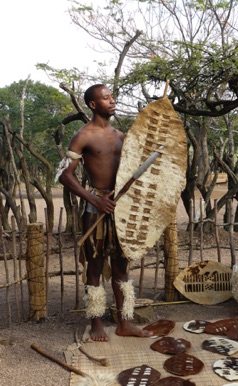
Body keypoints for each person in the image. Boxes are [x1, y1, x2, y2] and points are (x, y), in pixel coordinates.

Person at [58, 84, 153, 341]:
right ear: (92, 105)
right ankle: (96, 323)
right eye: (106, 98)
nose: (112, 101)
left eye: (112, 97)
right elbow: (65, 175)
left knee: (122, 269)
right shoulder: (83, 136)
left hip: (119, 210)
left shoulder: (121, 136)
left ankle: (125, 322)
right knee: (95, 267)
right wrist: (94, 199)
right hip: (96, 209)